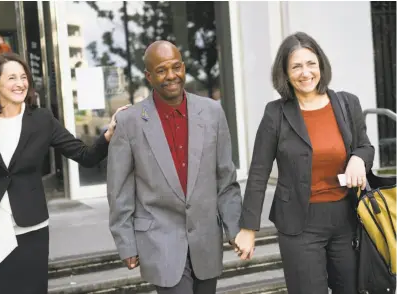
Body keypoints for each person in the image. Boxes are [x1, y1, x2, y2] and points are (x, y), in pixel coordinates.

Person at [0, 52, 128, 294]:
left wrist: (108, 135)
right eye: (11, 77)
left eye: (23, 77)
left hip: (30, 228)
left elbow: (85, 155)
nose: (20, 83)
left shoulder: (41, 119)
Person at [235, 32, 375, 294]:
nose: (305, 72)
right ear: (285, 73)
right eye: (296, 66)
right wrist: (248, 228)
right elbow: (258, 173)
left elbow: (365, 146)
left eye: (311, 63)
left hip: (347, 220)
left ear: (321, 65)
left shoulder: (347, 103)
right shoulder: (275, 113)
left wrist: (358, 158)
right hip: (299, 225)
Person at [107, 40, 242, 294]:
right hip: (159, 241)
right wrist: (126, 243)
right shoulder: (129, 122)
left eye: (176, 67)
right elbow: (119, 191)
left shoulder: (212, 112)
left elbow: (226, 180)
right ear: (149, 76)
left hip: (206, 240)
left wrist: (234, 229)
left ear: (183, 67)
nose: (171, 76)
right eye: (161, 70)